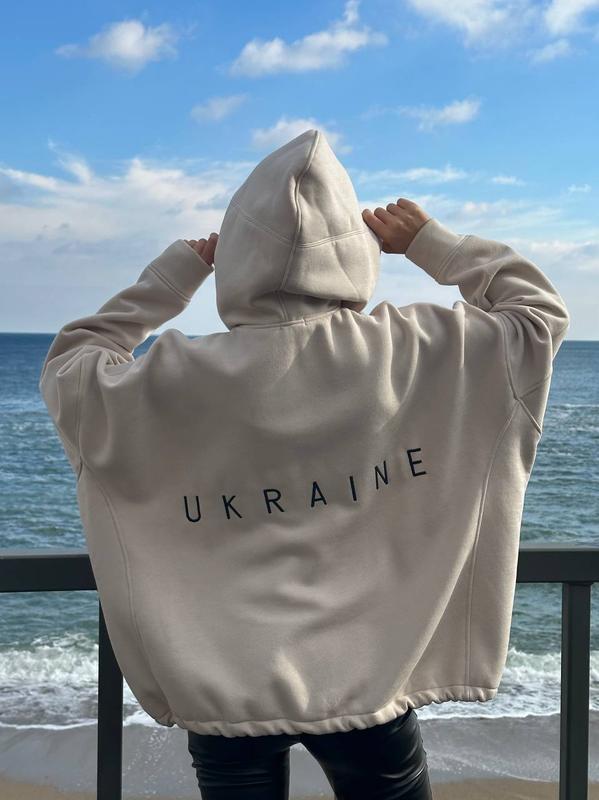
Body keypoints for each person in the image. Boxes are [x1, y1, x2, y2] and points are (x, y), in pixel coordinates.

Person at [39, 129, 569, 799]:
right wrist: (430, 242)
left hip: (225, 692)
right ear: (353, 250)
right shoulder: (418, 348)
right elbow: (536, 317)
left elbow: (71, 367)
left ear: (237, 259)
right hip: (373, 682)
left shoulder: (172, 375)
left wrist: (170, 280)